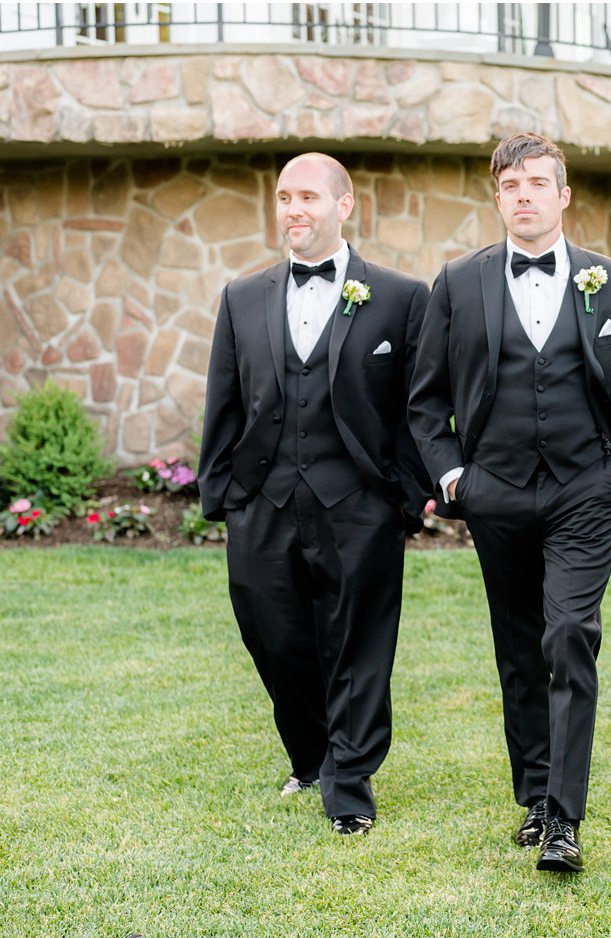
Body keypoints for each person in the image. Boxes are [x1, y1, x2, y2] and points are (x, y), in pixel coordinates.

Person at [408, 133, 611, 874]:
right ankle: (536, 795)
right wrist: (454, 478)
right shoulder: (457, 282)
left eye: (538, 183)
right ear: (498, 195)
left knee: (569, 632)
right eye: (511, 185)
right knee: (518, 649)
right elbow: (424, 401)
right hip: (495, 492)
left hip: (584, 491)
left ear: (564, 195)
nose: (524, 196)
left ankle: (565, 818)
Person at [200, 152, 431, 836]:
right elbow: (225, 400)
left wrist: (407, 498)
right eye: (283, 197)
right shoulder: (242, 297)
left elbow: (417, 407)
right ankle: (310, 754)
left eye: (307, 196)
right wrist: (223, 497)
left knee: (360, 642)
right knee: (273, 634)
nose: (293, 209)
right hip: (262, 499)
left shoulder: (398, 296)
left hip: (360, 502)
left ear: (344, 205)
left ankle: (350, 781)